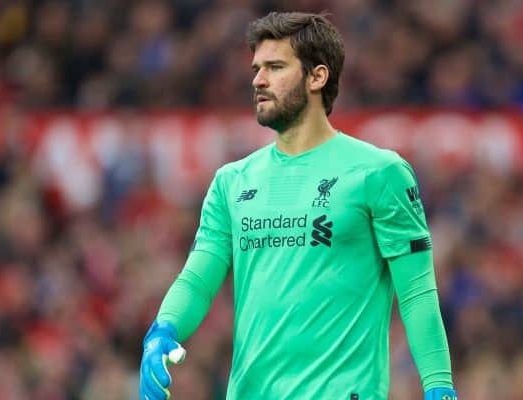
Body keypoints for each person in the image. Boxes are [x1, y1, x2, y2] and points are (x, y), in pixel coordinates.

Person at [139, 11, 457, 400]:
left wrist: (439, 385)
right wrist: (163, 330)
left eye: (275, 67)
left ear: (317, 77)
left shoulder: (379, 173)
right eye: (257, 68)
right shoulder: (231, 182)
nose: (258, 80)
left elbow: (417, 292)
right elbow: (198, 281)